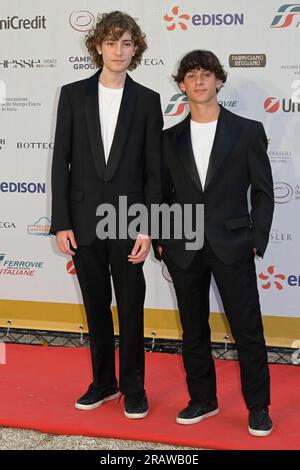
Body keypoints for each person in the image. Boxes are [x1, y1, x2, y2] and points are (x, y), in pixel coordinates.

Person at [50, 11, 163, 419]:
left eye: (127, 43)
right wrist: (61, 222)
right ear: (98, 45)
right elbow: (60, 160)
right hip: (81, 222)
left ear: (136, 50)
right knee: (96, 306)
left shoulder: (148, 100)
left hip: (130, 222)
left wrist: (149, 227)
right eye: (112, 42)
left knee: (131, 308)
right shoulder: (73, 94)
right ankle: (103, 382)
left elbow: (155, 171)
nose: (119, 50)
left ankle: (134, 387)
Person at [157, 50, 274, 436]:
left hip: (233, 244)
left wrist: (257, 239)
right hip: (183, 247)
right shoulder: (168, 139)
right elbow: (159, 193)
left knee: (248, 330)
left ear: (219, 81)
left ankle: (258, 407)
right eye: (190, 75)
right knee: (193, 330)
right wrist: (161, 239)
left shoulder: (247, 131)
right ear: (181, 85)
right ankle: (202, 399)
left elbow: (263, 192)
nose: (199, 81)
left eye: (206, 74)